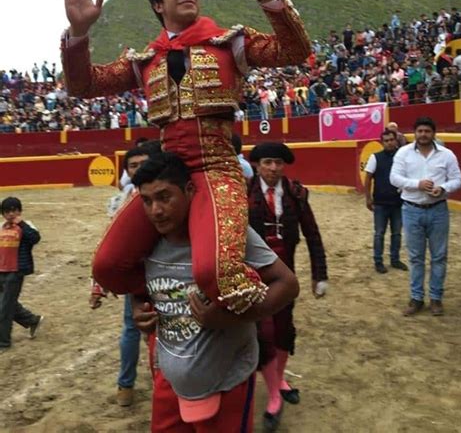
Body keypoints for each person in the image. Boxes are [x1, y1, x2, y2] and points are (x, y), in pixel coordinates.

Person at [61, 0, 311, 313]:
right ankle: (167, 299)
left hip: (218, 171)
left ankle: (247, 323)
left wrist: (267, 0)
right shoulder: (145, 59)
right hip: (169, 174)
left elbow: (293, 51)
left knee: (217, 273)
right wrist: (79, 34)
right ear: (158, 5)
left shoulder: (229, 44)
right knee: (108, 266)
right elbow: (83, 86)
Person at [131, 153, 299, 433]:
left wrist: (232, 319)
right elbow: (138, 285)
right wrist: (138, 307)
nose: (156, 210)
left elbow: (287, 284)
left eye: (164, 197)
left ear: (188, 191)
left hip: (227, 381)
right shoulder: (145, 238)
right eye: (147, 201)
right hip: (169, 379)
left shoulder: (226, 236)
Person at [247, 142, 328, 431]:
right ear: (256, 164)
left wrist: (320, 274)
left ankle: (279, 379)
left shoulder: (295, 194)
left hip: (286, 276)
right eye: (268, 162)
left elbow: (313, 234)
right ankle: (272, 395)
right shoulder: (243, 193)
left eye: (278, 163)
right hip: (253, 276)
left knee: (284, 328)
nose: (273, 168)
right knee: (264, 331)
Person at [92, 144, 159, 406]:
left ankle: (161, 384)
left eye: (144, 163)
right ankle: (126, 385)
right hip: (136, 275)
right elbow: (108, 243)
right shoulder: (119, 202)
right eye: (133, 166)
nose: (139, 169)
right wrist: (98, 284)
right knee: (132, 328)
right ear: (127, 172)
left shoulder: (164, 194)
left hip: (165, 270)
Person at [390, 117, 461, 316]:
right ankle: (416, 298)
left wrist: (443, 188)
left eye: (427, 131)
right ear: (415, 132)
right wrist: (418, 184)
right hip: (411, 209)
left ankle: (436, 298)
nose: (423, 134)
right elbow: (394, 178)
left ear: (434, 133)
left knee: (439, 256)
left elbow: (457, 179)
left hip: (438, 209)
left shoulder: (447, 155)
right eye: (420, 131)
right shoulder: (403, 153)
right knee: (415, 257)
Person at [0, 197, 43, 349]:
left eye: (14, 210)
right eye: (7, 211)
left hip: (15, 271)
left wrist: (22, 224)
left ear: (20, 211)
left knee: (5, 308)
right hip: (1, 270)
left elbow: (35, 238)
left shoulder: (25, 226)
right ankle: (32, 320)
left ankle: (3, 342)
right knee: (6, 303)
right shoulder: (2, 227)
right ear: (3, 214)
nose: (11, 214)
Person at [364, 129, 408, 274]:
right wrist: (368, 198)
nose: (389, 142)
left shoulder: (402, 157)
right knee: (379, 233)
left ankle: (395, 260)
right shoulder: (375, 157)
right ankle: (378, 261)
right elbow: (368, 177)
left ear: (396, 140)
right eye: (386, 140)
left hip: (398, 202)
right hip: (381, 202)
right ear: (382, 142)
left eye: (391, 139)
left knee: (396, 233)